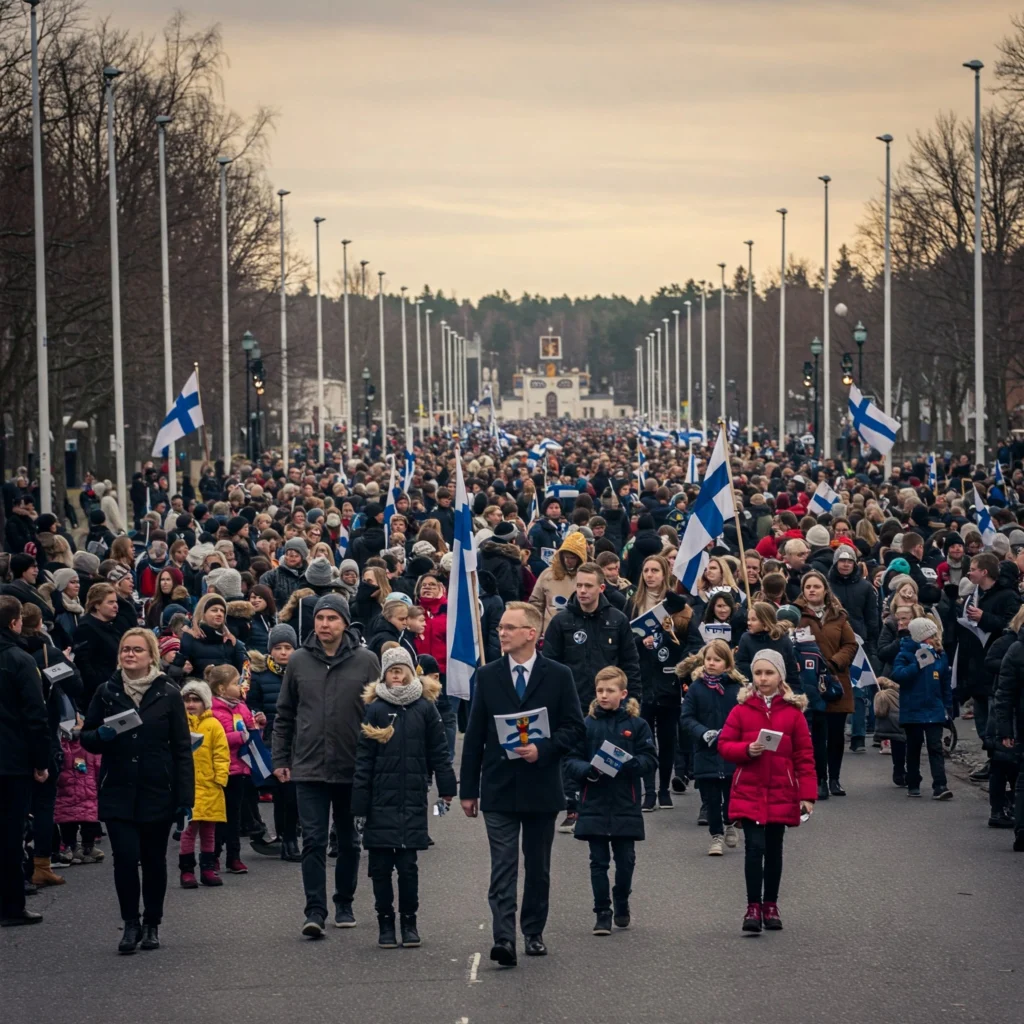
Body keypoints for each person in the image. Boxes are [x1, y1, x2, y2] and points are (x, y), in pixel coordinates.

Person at [460, 601, 586, 967]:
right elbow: (475, 736)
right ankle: (503, 938)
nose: (502, 632)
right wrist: (469, 789)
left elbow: (574, 728)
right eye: (500, 627)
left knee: (538, 866)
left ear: (532, 634)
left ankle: (532, 931)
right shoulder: (487, 676)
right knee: (503, 865)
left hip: (541, 786)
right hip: (499, 787)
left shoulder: (558, 675)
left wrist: (543, 749)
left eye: (510, 628)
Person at [272, 593, 381, 938]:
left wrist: (377, 762)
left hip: (353, 766)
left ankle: (344, 901)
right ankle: (315, 910)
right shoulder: (299, 661)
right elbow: (285, 714)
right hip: (309, 766)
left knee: (349, 841)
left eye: (332, 618)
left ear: (345, 623)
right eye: (320, 618)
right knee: (314, 841)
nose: (324, 624)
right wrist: (280, 758)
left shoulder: (366, 661)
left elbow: (379, 714)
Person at [80, 628, 194, 953]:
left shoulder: (168, 692)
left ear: (151, 656)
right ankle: (130, 922)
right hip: (118, 790)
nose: (130, 655)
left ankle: (152, 923)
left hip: (158, 789)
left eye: (137, 650)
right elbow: (86, 736)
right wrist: (99, 735)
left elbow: (182, 749)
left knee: (154, 860)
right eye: (126, 649)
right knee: (125, 859)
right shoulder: (106, 691)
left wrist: (186, 798)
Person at [351, 646, 457, 949]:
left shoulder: (425, 707)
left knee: (408, 867)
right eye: (391, 671)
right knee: (381, 868)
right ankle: (386, 922)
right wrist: (359, 804)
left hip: (412, 800)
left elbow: (438, 750)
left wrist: (446, 788)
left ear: (412, 673)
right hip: (379, 801)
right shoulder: (375, 709)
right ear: (384, 675)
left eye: (402, 670)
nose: (397, 676)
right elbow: (364, 759)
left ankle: (409, 921)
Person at [717, 648, 817, 933]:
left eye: (768, 673)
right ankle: (752, 906)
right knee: (754, 848)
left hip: (781, 791)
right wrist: (746, 750)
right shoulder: (741, 710)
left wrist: (807, 795)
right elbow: (725, 745)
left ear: (780, 676)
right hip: (749, 790)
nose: (763, 678)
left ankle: (771, 904)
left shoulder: (794, 714)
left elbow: (804, 756)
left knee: (774, 851)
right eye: (758, 673)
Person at [542, 561, 640, 830]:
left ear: (601, 587)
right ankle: (572, 807)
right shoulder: (562, 621)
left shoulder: (617, 620)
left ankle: (603, 805)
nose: (582, 591)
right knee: (572, 754)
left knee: (606, 752)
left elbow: (630, 662)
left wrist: (633, 700)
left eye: (588, 586)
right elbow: (548, 663)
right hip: (572, 700)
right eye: (579, 585)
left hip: (608, 702)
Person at [564, 665, 657, 935]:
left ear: (623, 694)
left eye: (610, 690)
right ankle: (602, 911)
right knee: (598, 861)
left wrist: (628, 764)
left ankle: (622, 899)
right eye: (600, 690)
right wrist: (588, 770)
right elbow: (571, 759)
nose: (604, 695)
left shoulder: (637, 725)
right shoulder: (587, 724)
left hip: (625, 802)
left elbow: (650, 759)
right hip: (594, 801)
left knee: (626, 859)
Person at [625, 554, 692, 810]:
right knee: (643, 740)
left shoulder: (676, 606)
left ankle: (664, 789)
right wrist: (640, 643)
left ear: (664, 574)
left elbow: (689, 639)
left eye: (655, 570)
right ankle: (649, 792)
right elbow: (622, 639)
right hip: (641, 680)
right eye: (646, 570)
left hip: (668, 681)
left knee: (667, 739)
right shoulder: (632, 604)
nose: (650, 575)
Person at [0, 596, 50, 927]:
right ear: (15, 622)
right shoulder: (19, 659)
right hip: (11, 760)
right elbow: (35, 715)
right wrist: (41, 761)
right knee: (9, 834)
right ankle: (12, 905)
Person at [679, 640, 744, 856]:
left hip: (731, 752)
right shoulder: (696, 688)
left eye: (717, 660)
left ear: (727, 664)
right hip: (705, 752)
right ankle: (716, 836)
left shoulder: (737, 688)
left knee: (731, 795)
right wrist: (702, 732)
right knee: (711, 799)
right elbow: (686, 717)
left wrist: (734, 735)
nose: (712, 663)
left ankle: (730, 824)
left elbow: (745, 717)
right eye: (708, 659)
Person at [796, 571, 857, 798]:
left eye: (816, 586)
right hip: (810, 682)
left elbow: (850, 644)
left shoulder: (839, 616)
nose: (812, 590)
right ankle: (819, 778)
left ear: (825, 590)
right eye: (808, 587)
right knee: (817, 734)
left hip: (835, 680)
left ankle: (835, 778)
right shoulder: (796, 615)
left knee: (836, 733)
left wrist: (834, 662)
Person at [247, 623, 301, 861]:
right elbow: (251, 703)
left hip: (300, 740)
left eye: (288, 647)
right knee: (283, 792)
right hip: (272, 741)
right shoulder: (259, 677)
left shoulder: (302, 674)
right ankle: (286, 838)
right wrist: (256, 714)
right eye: (278, 647)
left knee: (296, 793)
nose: (283, 652)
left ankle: (292, 835)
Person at [206, 664, 262, 875]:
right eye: (236, 683)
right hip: (220, 770)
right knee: (219, 816)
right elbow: (213, 739)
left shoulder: (242, 707)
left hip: (240, 770)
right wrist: (238, 737)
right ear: (221, 689)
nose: (241, 686)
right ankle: (213, 856)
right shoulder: (211, 710)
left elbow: (252, 734)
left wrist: (258, 726)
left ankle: (234, 857)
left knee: (235, 815)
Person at [890, 618, 954, 800]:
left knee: (935, 747)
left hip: (934, 708)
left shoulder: (940, 654)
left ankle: (940, 785)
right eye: (929, 636)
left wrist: (948, 707)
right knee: (914, 747)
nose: (933, 639)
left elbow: (945, 683)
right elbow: (898, 675)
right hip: (913, 709)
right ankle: (913, 782)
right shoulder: (906, 653)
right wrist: (917, 664)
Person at [178, 679, 230, 888]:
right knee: (188, 831)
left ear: (205, 703)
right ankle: (187, 871)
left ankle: (208, 869)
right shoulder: (179, 724)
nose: (191, 705)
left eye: (196, 700)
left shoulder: (213, 725)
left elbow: (221, 753)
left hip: (210, 786)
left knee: (209, 831)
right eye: (187, 700)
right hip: (187, 787)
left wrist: (220, 778)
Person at [73, 583, 130, 708]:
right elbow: (84, 665)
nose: (116, 606)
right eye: (110, 602)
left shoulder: (110, 625)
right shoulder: (86, 628)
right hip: (100, 695)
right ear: (97, 605)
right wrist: (102, 687)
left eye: (116, 601)